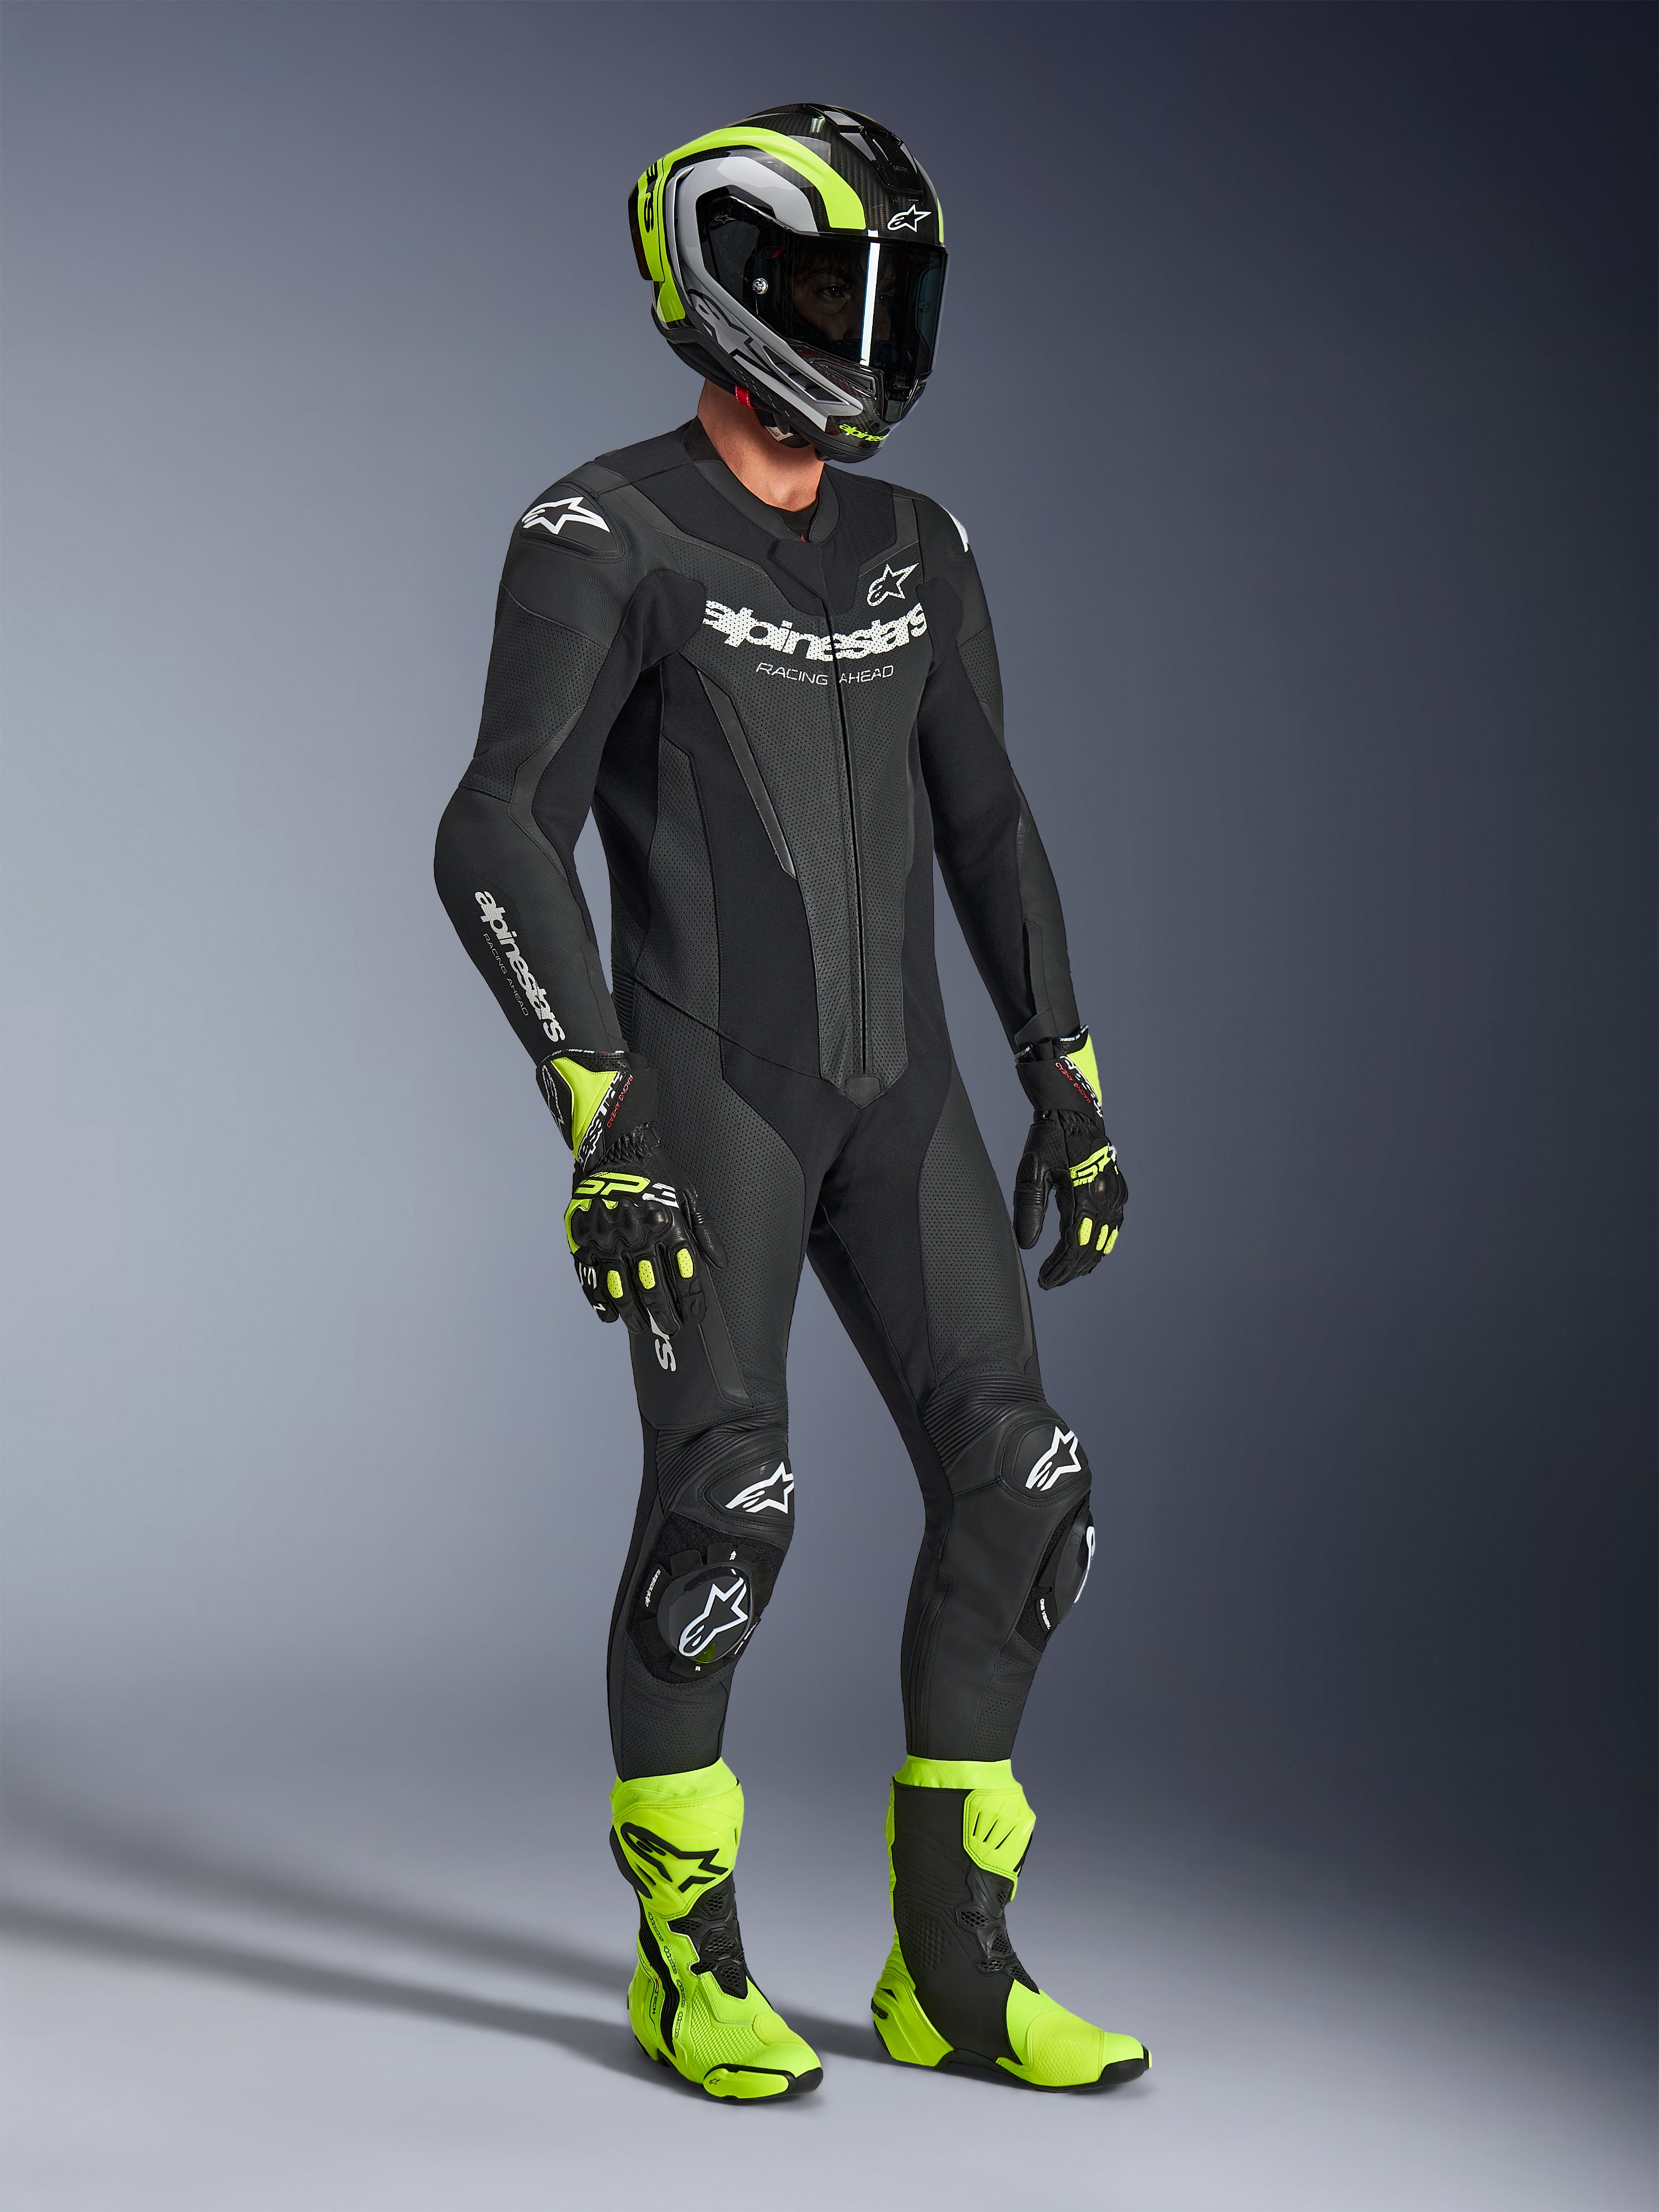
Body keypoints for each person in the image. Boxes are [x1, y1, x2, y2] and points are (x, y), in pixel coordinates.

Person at [434, 103, 1147, 2101]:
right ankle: (689, 1960)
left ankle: (951, 1976)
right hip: (707, 1102)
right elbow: (495, 831)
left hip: (902, 1100)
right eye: (834, 289)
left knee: (1026, 1487)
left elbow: (992, 828)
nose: (871, 331)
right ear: (725, 285)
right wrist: (599, 1119)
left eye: (894, 292)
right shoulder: (599, 532)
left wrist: (1068, 1078)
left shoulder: (925, 547)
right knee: (726, 1509)